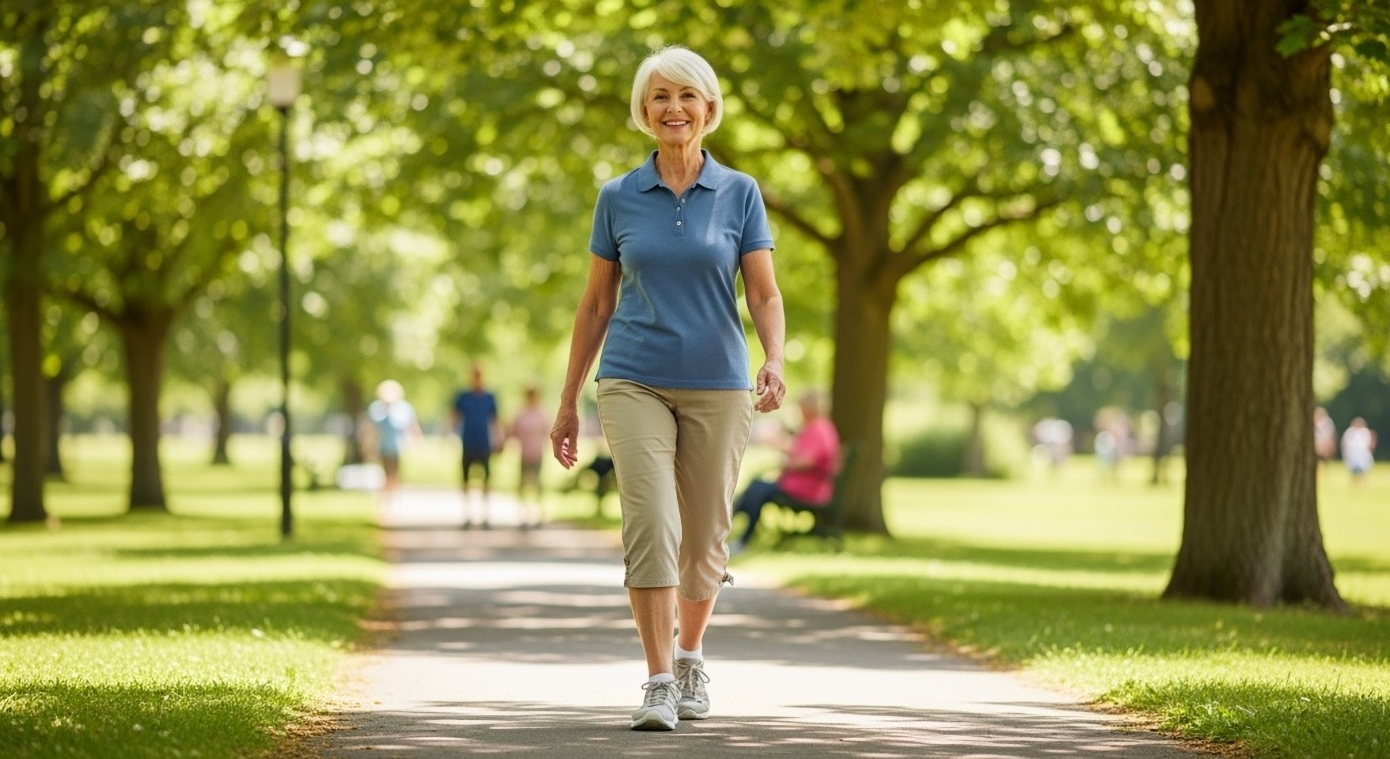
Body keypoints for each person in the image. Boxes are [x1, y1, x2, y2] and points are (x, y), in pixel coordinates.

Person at [549, 45, 786, 733]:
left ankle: (689, 658)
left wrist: (774, 357)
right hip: (633, 379)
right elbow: (596, 304)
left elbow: (764, 293)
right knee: (652, 524)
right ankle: (657, 680)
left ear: (708, 108)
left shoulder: (740, 192)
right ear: (644, 110)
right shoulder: (617, 196)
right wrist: (567, 401)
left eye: (686, 96)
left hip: (720, 383)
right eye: (660, 96)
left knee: (705, 537)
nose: (673, 108)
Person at [728, 390, 840, 554]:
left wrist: (785, 464)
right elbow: (803, 451)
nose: (799, 412)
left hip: (807, 489)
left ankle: (738, 532)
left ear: (808, 408)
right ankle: (733, 522)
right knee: (756, 487)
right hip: (804, 485)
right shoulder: (820, 427)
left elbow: (809, 461)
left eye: (801, 408)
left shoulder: (818, 428)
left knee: (757, 490)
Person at [450, 363, 501, 528]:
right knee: (465, 479)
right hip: (468, 443)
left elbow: (495, 420)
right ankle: (467, 515)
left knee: (486, 480)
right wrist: (450, 436)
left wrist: (498, 439)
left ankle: (486, 515)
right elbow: (454, 417)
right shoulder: (463, 396)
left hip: (484, 444)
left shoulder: (489, 397)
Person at [366, 379, 421, 506]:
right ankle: (386, 500)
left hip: (398, 447)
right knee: (384, 474)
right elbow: (370, 429)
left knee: (395, 474)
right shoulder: (376, 409)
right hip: (381, 447)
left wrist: (416, 441)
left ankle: (394, 498)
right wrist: (368, 446)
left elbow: (412, 426)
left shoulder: (404, 408)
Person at [508, 385, 550, 529]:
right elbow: (513, 431)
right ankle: (522, 515)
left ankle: (540, 514)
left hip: (537, 453)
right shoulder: (521, 413)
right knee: (522, 484)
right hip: (524, 453)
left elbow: (547, 432)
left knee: (538, 484)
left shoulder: (542, 413)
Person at [1340, 416, 1376, 485]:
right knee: (1353, 471)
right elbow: (1346, 443)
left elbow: (1368, 445)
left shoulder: (1365, 432)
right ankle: (1355, 483)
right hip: (1353, 455)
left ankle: (1362, 483)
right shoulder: (1350, 432)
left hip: (1363, 455)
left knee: (1363, 470)